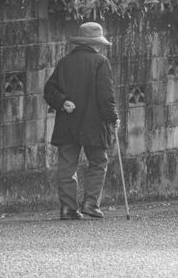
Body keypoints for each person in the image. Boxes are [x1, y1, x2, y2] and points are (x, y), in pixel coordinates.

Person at [44, 22, 120, 220]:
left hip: (68, 121)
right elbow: (106, 97)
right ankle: (90, 204)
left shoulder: (64, 62)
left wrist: (62, 102)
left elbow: (49, 91)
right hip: (93, 123)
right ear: (97, 44)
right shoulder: (101, 62)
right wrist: (113, 118)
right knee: (98, 162)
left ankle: (68, 209)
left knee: (67, 166)